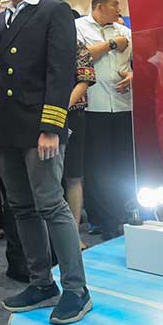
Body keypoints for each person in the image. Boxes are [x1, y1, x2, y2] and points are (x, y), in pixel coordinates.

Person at [0, 0, 91, 325]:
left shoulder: (53, 11)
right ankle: (42, 283)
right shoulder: (2, 17)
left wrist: (52, 128)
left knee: (51, 205)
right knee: (21, 208)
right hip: (6, 127)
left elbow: (61, 72)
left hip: (39, 128)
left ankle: (76, 289)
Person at [76, 0, 134, 240]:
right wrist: (111, 45)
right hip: (93, 107)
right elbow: (80, 56)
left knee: (122, 163)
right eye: (114, 4)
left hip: (123, 106)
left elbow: (143, 61)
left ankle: (122, 214)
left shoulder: (126, 32)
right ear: (100, 6)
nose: (119, 9)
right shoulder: (78, 28)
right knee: (97, 166)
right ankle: (102, 219)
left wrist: (134, 75)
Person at [65, 42, 96, 249]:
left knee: (73, 176)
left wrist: (59, 108)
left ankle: (73, 234)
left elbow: (84, 80)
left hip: (72, 114)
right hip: (35, 116)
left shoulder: (76, 44)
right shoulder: (35, 37)